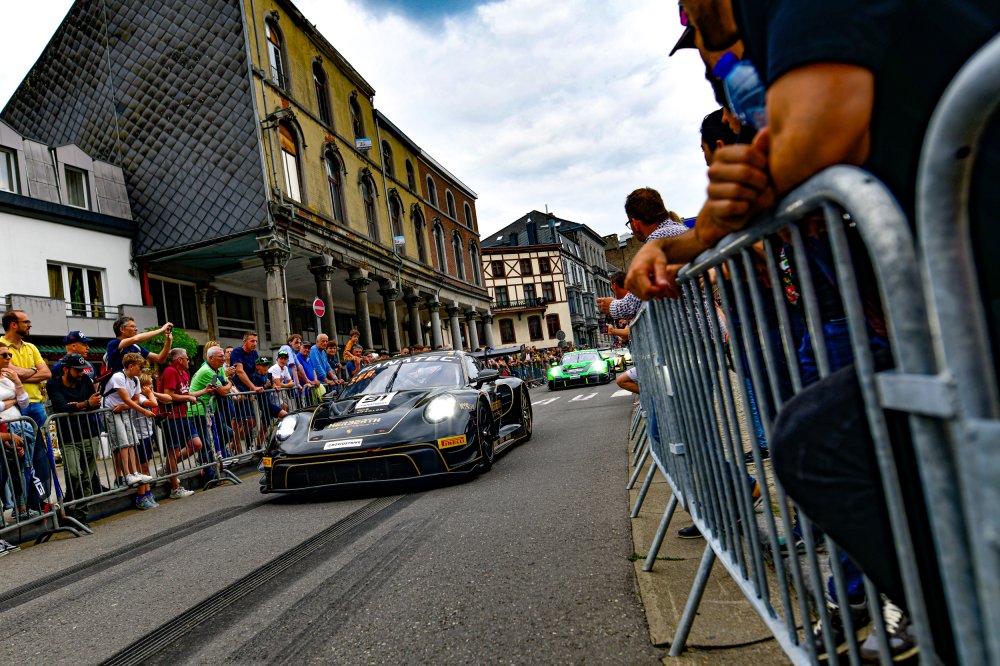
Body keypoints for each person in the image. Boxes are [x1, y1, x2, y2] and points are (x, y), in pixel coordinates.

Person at [597, 189, 688, 321]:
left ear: (636, 223)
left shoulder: (657, 241)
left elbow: (634, 301)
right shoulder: (683, 231)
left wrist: (612, 306)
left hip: (685, 326)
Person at [1, 310, 52, 507]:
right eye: (26, 322)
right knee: (17, 460)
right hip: (15, 409)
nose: (30, 324)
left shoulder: (31, 346)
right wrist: (33, 371)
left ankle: (39, 500)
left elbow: (46, 373)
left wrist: (24, 374)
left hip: (35, 405)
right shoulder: (1, 345)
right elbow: (10, 371)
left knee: (40, 455)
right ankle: (22, 505)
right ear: (13, 324)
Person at [45, 353, 102, 524]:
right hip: (68, 437)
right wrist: (85, 404)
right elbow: (60, 407)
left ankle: (80, 516)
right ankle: (70, 501)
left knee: (87, 477)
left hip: (90, 433)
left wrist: (76, 406)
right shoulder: (53, 384)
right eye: (77, 370)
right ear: (65, 369)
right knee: (74, 473)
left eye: (82, 370)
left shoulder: (85, 381)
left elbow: (95, 403)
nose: (80, 373)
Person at [102, 352, 156, 509]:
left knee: (132, 441)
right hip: (111, 412)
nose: (141, 370)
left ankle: (134, 473)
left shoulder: (135, 380)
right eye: (139, 367)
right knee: (123, 443)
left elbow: (135, 399)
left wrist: (125, 406)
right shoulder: (118, 377)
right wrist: (144, 411)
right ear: (130, 366)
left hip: (124, 410)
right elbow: (127, 398)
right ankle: (126, 474)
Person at [0, 339, 39, 520]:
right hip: (4, 428)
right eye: (4, 355)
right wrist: (13, 400)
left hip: (20, 427)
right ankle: (14, 508)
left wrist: (17, 381)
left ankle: (22, 507)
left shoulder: (9, 377)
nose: (8, 357)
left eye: (10, 354)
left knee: (22, 468)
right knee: (7, 472)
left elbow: (24, 402)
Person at [159, 348, 204, 499]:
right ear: (179, 360)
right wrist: (187, 398)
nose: (189, 361)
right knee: (173, 450)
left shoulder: (184, 373)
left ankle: (167, 470)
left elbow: (186, 393)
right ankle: (175, 488)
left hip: (183, 415)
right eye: (186, 358)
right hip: (171, 416)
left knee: (196, 444)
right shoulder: (170, 371)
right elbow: (168, 395)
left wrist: (204, 391)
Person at [106, 316, 173, 375]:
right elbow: (136, 339)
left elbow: (160, 359)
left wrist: (168, 341)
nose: (136, 329)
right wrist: (161, 330)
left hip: (133, 384)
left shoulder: (136, 346)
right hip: (118, 384)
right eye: (132, 326)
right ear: (122, 329)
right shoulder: (113, 344)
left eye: (135, 327)